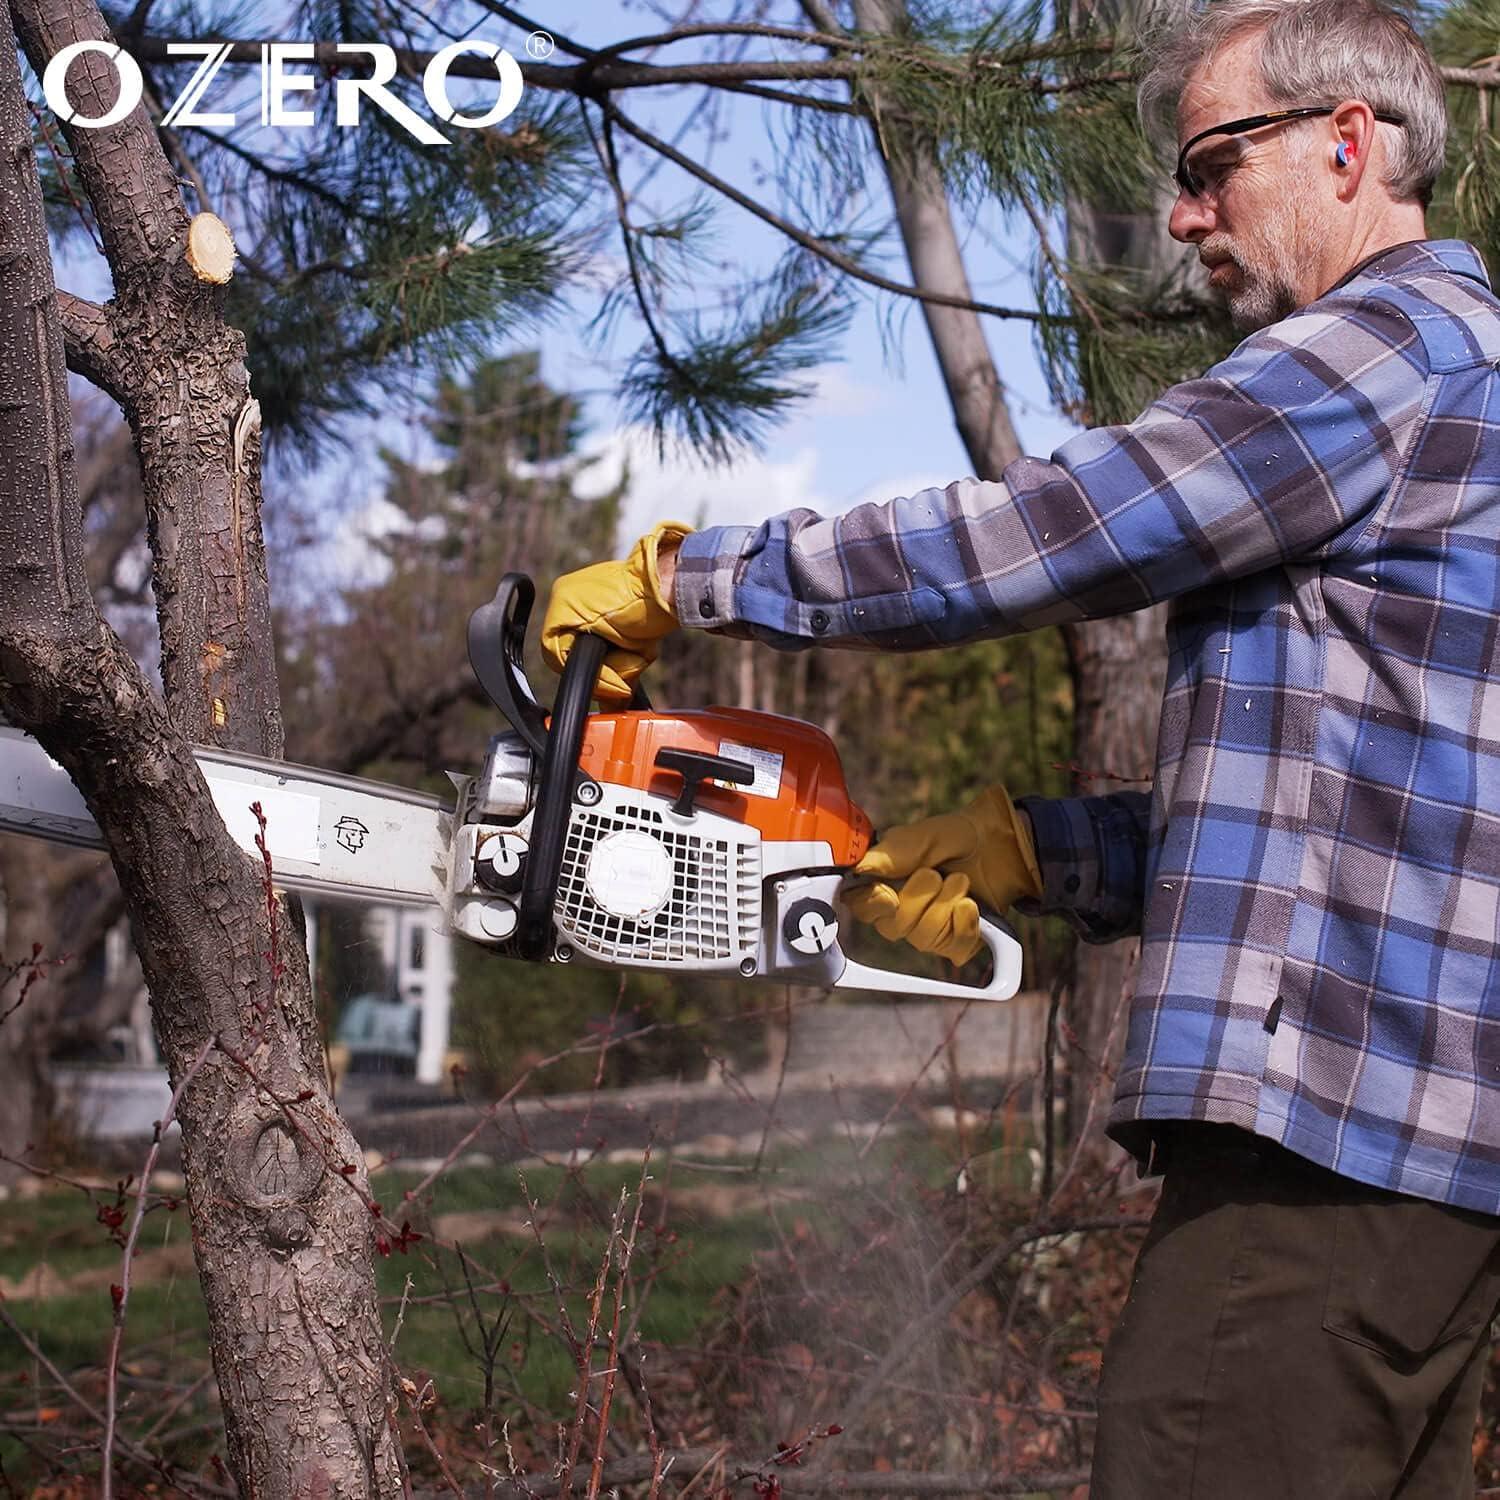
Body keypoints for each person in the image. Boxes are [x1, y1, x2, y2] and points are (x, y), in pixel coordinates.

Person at [542, 0, 1500, 1492]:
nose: (1184, 218)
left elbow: (1055, 529)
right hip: (1413, 1173)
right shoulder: (1462, 374)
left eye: (1212, 165)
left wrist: (695, 579)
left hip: (1321, 1154)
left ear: (1346, 145)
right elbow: (1388, 815)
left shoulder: (1385, 351)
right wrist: (1044, 853)